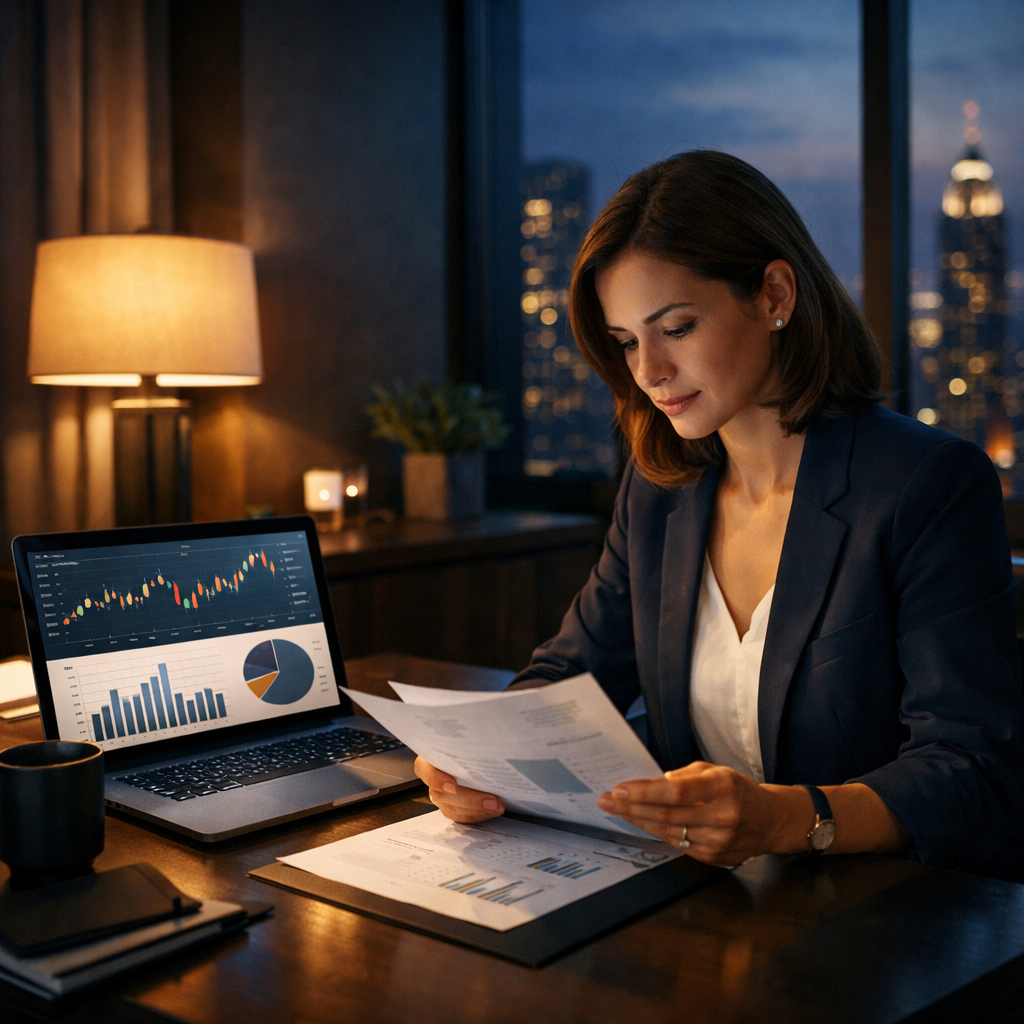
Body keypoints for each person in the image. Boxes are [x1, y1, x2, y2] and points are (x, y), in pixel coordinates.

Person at [415, 150, 1024, 873]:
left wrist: (788, 818)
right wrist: (476, 758)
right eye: (626, 343)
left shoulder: (926, 484)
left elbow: (969, 769)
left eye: (676, 328)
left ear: (773, 296)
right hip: (714, 901)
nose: (648, 373)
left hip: (886, 907)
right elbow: (571, 674)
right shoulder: (660, 490)